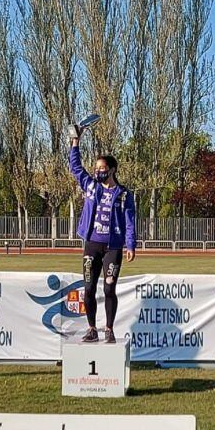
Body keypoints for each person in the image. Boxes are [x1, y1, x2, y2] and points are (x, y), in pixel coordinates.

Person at [68, 123, 137, 343]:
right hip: (92, 244)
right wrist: (75, 142)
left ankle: (109, 329)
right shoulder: (90, 186)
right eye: (96, 168)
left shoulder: (124, 194)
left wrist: (130, 245)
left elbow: (130, 220)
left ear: (112, 169)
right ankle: (91, 329)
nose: (98, 171)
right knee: (88, 288)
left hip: (113, 247)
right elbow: (75, 167)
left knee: (109, 288)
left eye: (101, 168)